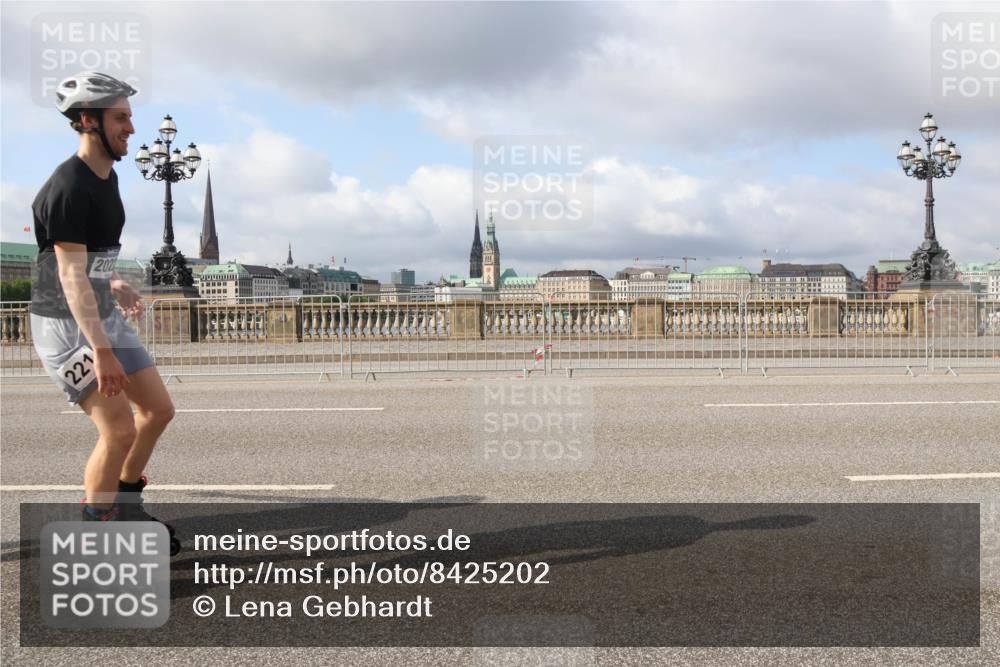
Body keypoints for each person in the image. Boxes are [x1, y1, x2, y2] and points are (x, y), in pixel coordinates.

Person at [30, 71, 178, 553]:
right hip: (65, 323)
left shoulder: (108, 175)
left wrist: (112, 280)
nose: (132, 128)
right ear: (88, 120)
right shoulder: (68, 187)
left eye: (130, 118)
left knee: (157, 410)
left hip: (95, 307)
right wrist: (102, 350)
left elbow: (80, 261)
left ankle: (126, 503)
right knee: (117, 427)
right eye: (121, 118)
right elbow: (68, 278)